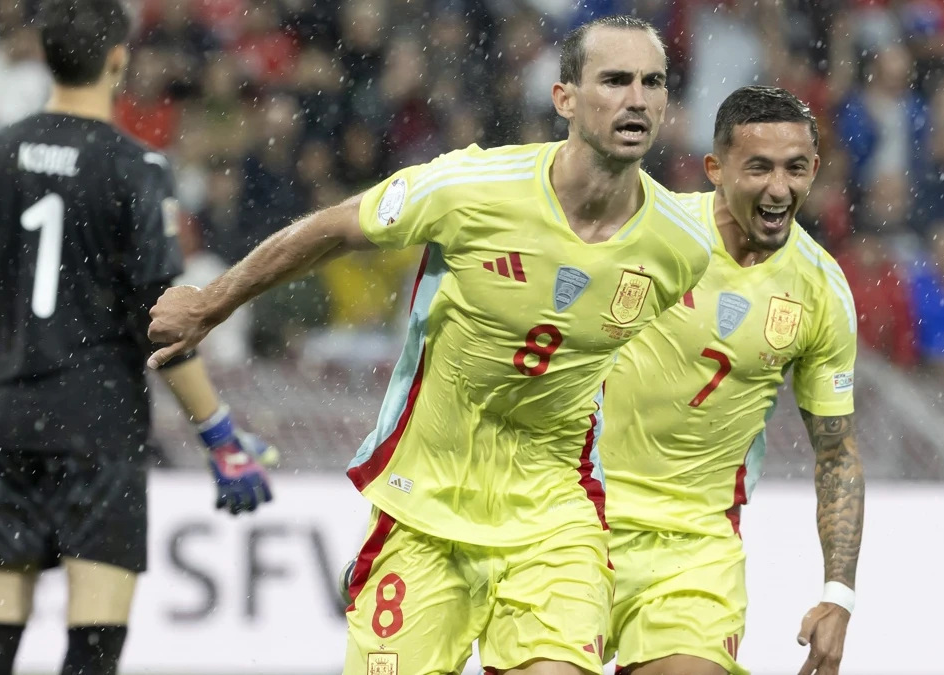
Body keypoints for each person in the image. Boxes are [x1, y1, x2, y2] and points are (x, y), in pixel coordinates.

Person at [147, 15, 713, 675]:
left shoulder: (681, 247)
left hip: (554, 518)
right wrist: (209, 305)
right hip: (423, 509)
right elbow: (333, 228)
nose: (637, 98)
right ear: (565, 99)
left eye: (653, 82)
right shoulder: (472, 189)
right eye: (615, 80)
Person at [0, 2, 277, 675]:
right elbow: (164, 321)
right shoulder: (135, 166)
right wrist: (219, 433)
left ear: (47, 56)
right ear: (118, 58)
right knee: (93, 649)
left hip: (8, 417)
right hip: (99, 422)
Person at [600, 86, 865, 675]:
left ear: (815, 170)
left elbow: (836, 452)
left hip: (696, 546)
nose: (780, 188)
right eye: (760, 168)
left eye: (796, 168)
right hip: (575, 518)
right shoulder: (645, 231)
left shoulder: (821, 289)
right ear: (715, 169)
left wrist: (838, 594)